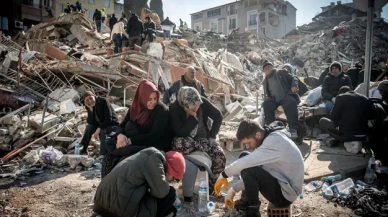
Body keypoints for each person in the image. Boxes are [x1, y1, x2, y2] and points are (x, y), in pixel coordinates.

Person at [214, 120, 304, 217]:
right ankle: (245, 201)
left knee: (249, 170)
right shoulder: (270, 136)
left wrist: (223, 175)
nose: (247, 146)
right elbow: (249, 164)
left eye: (248, 142)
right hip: (282, 182)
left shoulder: (273, 143)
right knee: (244, 156)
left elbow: (246, 164)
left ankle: (253, 212)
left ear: (258, 135)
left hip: (286, 195)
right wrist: (233, 190)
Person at [101, 80, 172, 177]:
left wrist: (130, 141)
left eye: (155, 98)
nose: (153, 102)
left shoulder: (161, 110)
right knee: (109, 154)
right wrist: (120, 136)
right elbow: (122, 125)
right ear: (142, 97)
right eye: (149, 99)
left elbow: (154, 135)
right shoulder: (135, 108)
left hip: (151, 144)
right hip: (133, 140)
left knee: (126, 159)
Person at [93, 148, 185, 217]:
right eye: (174, 178)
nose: (172, 181)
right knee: (170, 193)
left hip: (101, 204)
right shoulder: (155, 158)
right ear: (171, 168)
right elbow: (161, 192)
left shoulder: (147, 154)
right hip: (115, 209)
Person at [169, 87, 225, 192]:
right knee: (179, 143)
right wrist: (192, 117)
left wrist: (212, 135)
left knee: (219, 154)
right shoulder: (174, 108)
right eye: (192, 106)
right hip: (186, 140)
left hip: (202, 139)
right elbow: (180, 133)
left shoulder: (201, 102)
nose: (196, 107)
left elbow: (218, 116)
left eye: (197, 104)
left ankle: (212, 188)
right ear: (183, 104)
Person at [262, 61, 300, 140]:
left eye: (269, 66)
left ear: (272, 67)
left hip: (285, 95)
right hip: (274, 99)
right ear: (264, 71)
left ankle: (293, 129)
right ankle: (271, 129)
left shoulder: (280, 72)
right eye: (265, 68)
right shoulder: (265, 81)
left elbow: (294, 77)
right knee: (266, 104)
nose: (267, 69)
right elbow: (267, 94)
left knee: (291, 102)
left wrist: (294, 85)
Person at [81, 91, 118, 155]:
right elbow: (90, 122)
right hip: (100, 124)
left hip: (111, 124)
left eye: (90, 98)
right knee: (89, 128)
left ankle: (103, 154)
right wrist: (90, 109)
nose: (89, 101)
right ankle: (83, 149)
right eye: (87, 100)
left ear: (94, 96)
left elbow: (109, 119)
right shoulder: (89, 106)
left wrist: (99, 128)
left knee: (102, 132)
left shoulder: (103, 101)